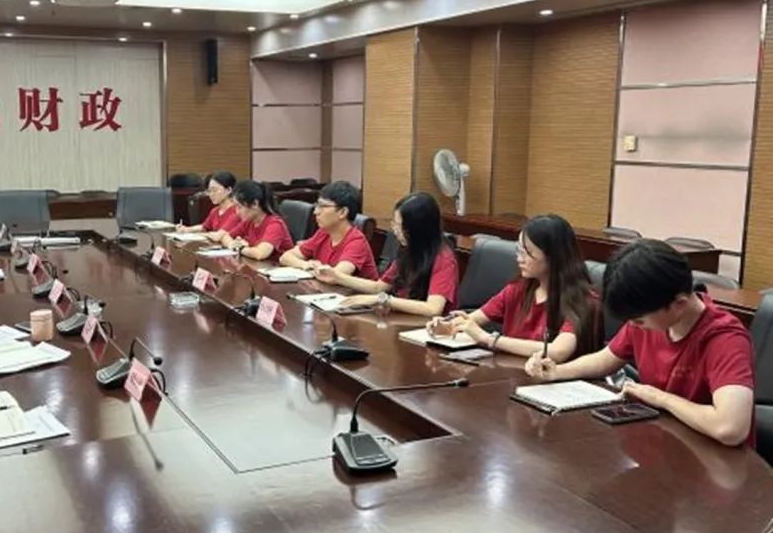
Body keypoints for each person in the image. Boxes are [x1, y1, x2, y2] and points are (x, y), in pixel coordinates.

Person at [526, 239, 754, 447]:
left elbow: (730, 428)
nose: (634, 326)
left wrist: (660, 398)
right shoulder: (650, 319)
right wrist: (557, 372)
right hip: (664, 445)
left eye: (638, 320)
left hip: (714, 462)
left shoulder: (724, 338)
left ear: (679, 304)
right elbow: (605, 359)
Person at [427, 214, 597, 360]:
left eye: (527, 253)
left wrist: (489, 339)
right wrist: (446, 325)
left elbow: (558, 352)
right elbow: (472, 320)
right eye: (519, 250)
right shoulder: (519, 289)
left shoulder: (583, 300)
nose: (519, 258)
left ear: (553, 256)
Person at [317, 192, 458, 315]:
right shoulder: (408, 249)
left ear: (417, 229)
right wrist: (337, 277)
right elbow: (379, 287)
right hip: (402, 320)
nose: (395, 230)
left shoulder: (443, 258)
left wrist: (383, 300)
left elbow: (433, 308)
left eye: (399, 226)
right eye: (394, 224)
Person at [279, 180, 378, 279]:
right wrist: (305, 265)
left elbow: (333, 276)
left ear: (343, 212)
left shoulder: (356, 241)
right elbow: (285, 257)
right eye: (317, 205)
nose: (315, 212)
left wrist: (317, 269)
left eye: (322, 206)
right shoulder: (324, 233)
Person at [218, 180, 294, 260]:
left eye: (239, 207)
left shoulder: (275, 224)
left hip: (276, 266)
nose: (237, 212)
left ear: (255, 204)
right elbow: (225, 236)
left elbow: (260, 254)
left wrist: (240, 248)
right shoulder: (249, 221)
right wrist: (232, 244)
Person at [176, 171, 241, 239]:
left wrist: (201, 234)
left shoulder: (237, 211)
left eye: (214, 190)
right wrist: (187, 229)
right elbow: (204, 227)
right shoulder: (215, 211)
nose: (211, 194)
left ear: (228, 190)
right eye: (209, 191)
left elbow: (219, 235)